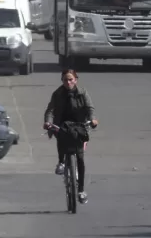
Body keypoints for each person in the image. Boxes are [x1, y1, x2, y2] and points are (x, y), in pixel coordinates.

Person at [43, 69, 98, 204]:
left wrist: (93, 119)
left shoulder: (82, 93)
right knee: (61, 137)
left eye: (70, 79)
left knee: (80, 158)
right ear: (62, 81)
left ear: (75, 80)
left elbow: (90, 108)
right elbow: (50, 110)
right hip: (62, 125)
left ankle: (81, 190)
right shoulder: (57, 94)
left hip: (79, 127)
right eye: (65, 80)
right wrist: (48, 122)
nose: (68, 82)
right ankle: (61, 162)